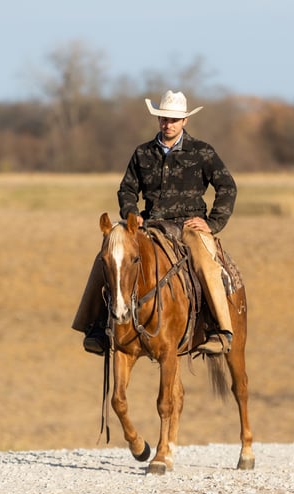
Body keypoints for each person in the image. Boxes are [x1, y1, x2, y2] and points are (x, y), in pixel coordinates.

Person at [72, 90, 237, 356]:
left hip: (188, 227)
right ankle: (94, 327)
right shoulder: (143, 153)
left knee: (205, 264)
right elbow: (127, 189)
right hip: (149, 226)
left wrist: (213, 223)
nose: (168, 124)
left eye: (173, 119)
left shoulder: (202, 152)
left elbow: (227, 187)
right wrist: (131, 212)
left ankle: (221, 330)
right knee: (109, 255)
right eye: (163, 119)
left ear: (184, 121)